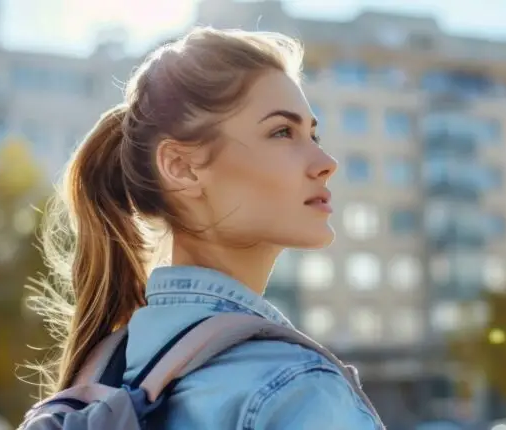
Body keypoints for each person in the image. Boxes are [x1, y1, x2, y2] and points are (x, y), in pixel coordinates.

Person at [34, 27, 383, 429]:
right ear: (180, 167)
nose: (326, 161)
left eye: (313, 133)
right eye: (282, 132)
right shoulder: (295, 390)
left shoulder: (103, 377)